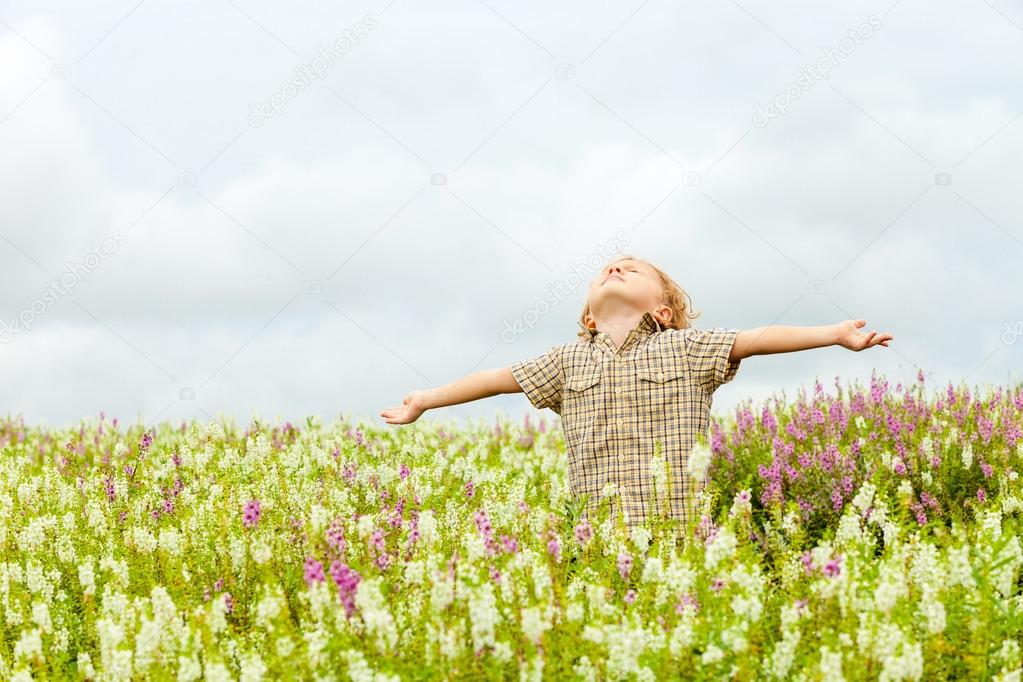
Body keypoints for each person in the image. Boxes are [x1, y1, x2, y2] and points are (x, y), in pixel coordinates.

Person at [380, 254, 893, 531]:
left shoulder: (686, 347)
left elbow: (757, 339)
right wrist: (426, 398)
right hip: (598, 532)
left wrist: (833, 333)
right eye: (606, 269)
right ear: (587, 316)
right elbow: (493, 379)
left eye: (632, 268)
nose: (614, 268)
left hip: (678, 530)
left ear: (663, 311)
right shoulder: (566, 360)